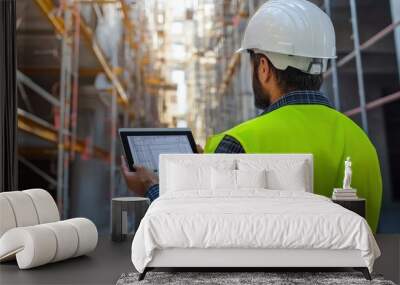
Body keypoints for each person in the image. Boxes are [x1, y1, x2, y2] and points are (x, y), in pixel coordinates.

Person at [121, 0, 382, 232]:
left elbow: (194, 231)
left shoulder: (237, 143)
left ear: (264, 67)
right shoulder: (362, 142)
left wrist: (150, 186)